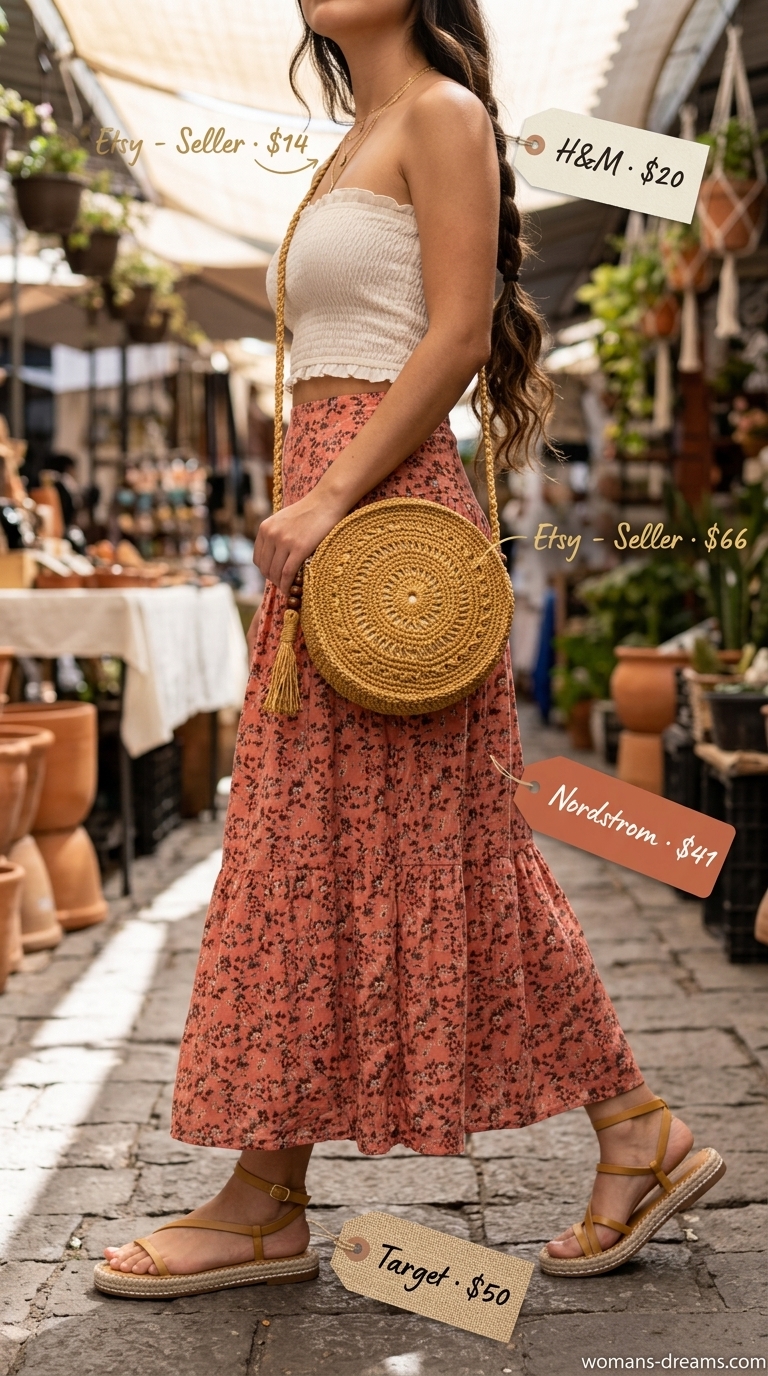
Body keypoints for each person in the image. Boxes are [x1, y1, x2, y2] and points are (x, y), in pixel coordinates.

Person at [97, 0, 723, 1298]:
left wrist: (330, 499)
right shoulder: (354, 134)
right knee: (330, 844)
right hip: (334, 512)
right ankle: (606, 1139)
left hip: (381, 527)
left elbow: (451, 335)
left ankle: (275, 1198)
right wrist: (312, 495)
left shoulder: (442, 116)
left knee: (400, 846)